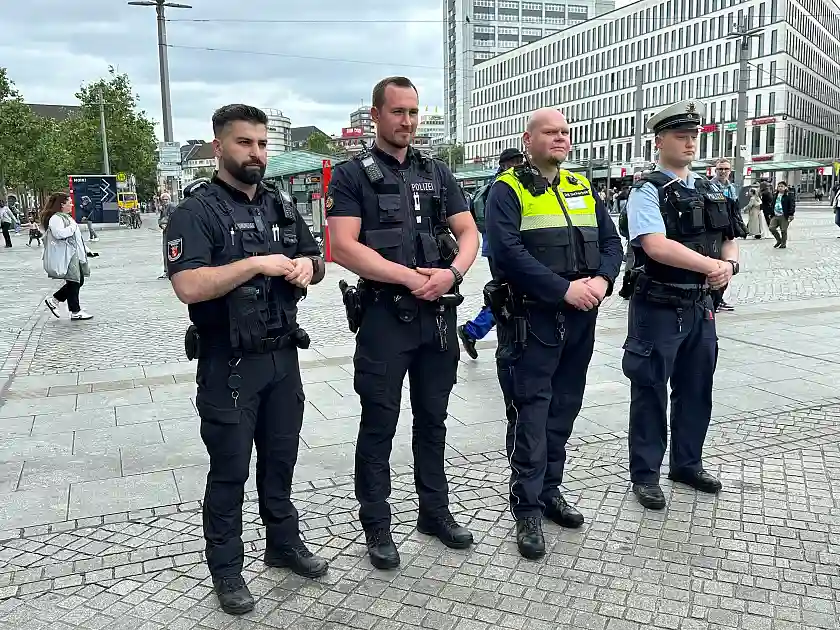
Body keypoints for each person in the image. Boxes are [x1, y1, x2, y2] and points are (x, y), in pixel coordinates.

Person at [166, 104, 328, 616]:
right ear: (219, 147)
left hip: (282, 358)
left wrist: (307, 266)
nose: (256, 153)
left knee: (280, 460)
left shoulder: (278, 204)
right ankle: (227, 570)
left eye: (261, 144)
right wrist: (255, 262)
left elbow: (317, 260)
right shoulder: (195, 211)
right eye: (245, 143)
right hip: (228, 365)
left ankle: (282, 543)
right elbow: (188, 285)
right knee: (230, 469)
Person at [326, 76, 479, 570]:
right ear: (375, 114)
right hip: (384, 319)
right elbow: (343, 246)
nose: (407, 122)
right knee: (379, 425)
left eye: (413, 112)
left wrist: (452, 272)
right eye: (397, 112)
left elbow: (469, 231)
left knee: (432, 422)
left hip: (436, 317)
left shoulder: (437, 171)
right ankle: (377, 526)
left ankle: (434, 513)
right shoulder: (351, 176)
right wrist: (412, 278)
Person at [485, 108, 622, 559]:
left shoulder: (580, 185)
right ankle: (525, 506)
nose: (560, 138)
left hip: (583, 316)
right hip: (534, 320)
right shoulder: (506, 189)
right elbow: (506, 254)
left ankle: (549, 490)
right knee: (531, 412)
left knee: (565, 406)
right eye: (550, 132)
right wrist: (563, 290)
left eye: (565, 132)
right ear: (529, 139)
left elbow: (611, 243)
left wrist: (602, 281)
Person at [623, 100, 739, 511]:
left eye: (694, 136)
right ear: (660, 141)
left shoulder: (709, 187)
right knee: (650, 390)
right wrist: (712, 265)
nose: (690, 143)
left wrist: (729, 264)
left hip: (700, 307)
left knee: (696, 390)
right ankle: (646, 475)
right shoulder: (646, 190)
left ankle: (687, 464)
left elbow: (729, 235)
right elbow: (655, 245)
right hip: (658, 305)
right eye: (681, 136)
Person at [457, 147, 524, 359]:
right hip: (502, 249)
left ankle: (474, 331)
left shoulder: (501, 184)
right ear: (505, 164)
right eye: (516, 162)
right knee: (506, 294)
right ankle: (472, 331)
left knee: (508, 293)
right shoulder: (502, 186)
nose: (520, 166)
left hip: (499, 248)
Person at [42, 192, 97, 320]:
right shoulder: (56, 218)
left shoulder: (66, 217)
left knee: (78, 280)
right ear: (62, 204)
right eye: (69, 202)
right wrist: (73, 227)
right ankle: (74, 310)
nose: (71, 204)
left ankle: (55, 300)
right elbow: (59, 234)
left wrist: (87, 250)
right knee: (74, 281)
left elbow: (77, 238)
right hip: (68, 254)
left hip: (75, 253)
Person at [709, 159, 738, 312]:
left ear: (730, 170)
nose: (723, 171)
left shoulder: (732, 187)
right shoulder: (710, 186)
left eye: (726, 169)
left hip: (728, 230)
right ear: (715, 170)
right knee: (717, 265)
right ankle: (715, 298)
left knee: (728, 264)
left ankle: (720, 298)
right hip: (716, 230)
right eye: (720, 169)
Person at [769, 181, 795, 249]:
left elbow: (792, 205)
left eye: (782, 186)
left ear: (785, 187)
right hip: (775, 215)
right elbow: (772, 204)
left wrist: (791, 214)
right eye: (779, 186)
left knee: (783, 230)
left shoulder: (788, 195)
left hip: (784, 215)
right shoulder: (775, 195)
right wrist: (771, 213)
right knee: (771, 228)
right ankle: (779, 240)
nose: (780, 188)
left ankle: (783, 243)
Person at [158, 192, 178, 278]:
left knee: (171, 251)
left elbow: (173, 218)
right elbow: (160, 219)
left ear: (169, 200)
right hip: (165, 232)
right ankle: (167, 271)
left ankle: (171, 271)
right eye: (163, 199)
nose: (165, 201)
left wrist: (164, 223)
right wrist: (161, 224)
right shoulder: (163, 208)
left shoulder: (172, 207)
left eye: (166, 199)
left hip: (171, 232)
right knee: (165, 251)